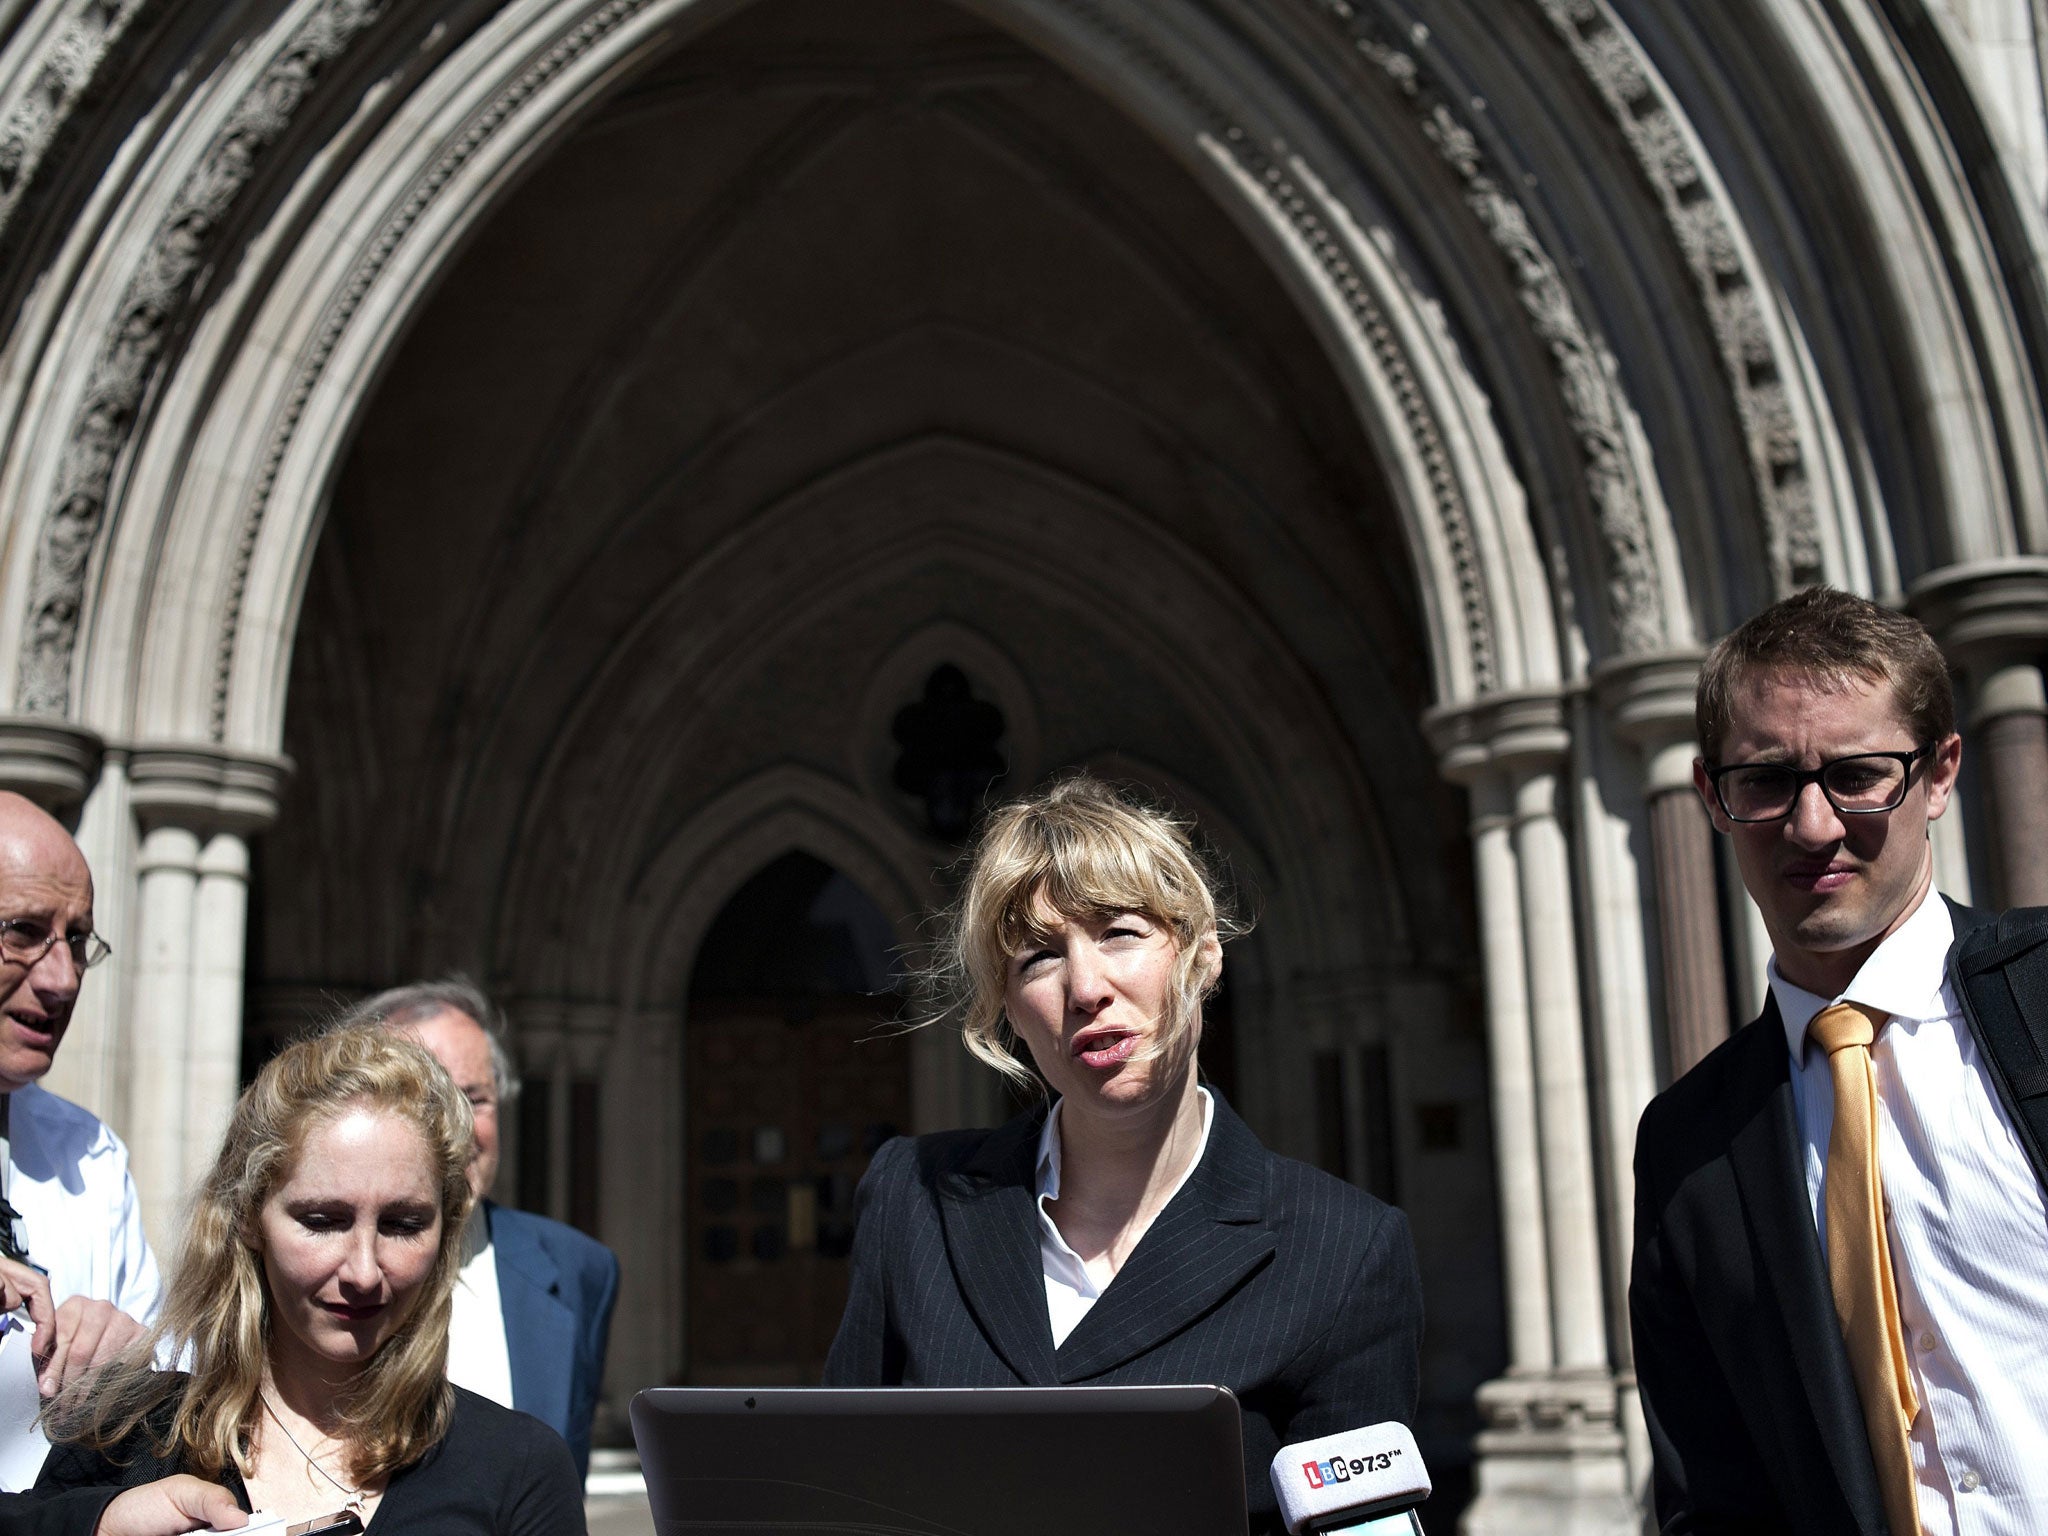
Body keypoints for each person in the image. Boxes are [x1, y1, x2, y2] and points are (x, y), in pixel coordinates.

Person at [823, 775, 1423, 1536]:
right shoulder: (911, 1196)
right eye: (1038, 958)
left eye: (1121, 933)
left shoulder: (1345, 1249)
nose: (1084, 985)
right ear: (1007, 1009)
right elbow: (836, 1490)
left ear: (1203, 956)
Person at [1631, 587, 2048, 1534]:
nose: (1812, 826)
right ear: (1711, 795)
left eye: (1859, 775)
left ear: (1941, 772)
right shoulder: (1692, 1142)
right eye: (1767, 781)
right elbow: (1714, 1493)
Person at [33, 1023, 585, 1534]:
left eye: (402, 1224)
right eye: (323, 1221)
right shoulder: (122, 1440)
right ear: (249, 1216)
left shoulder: (518, 1469)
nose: (364, 1271)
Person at [338, 980, 618, 1479]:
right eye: (424, 1097)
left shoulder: (579, 1270)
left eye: (476, 1097)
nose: (457, 1126)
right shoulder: (316, 1272)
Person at [0, 793, 158, 1488]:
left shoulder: (88, 1157)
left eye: (76, 940)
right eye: (23, 932)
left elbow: (173, 1383)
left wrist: (133, 1353)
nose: (63, 979)